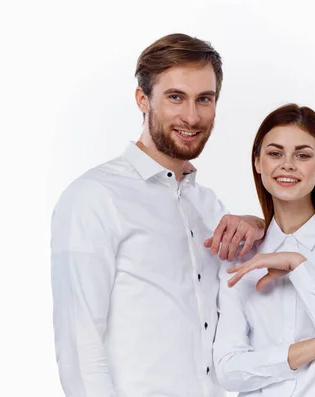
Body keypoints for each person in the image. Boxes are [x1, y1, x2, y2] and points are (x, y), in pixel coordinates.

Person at [50, 33, 266, 397]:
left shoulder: (210, 207)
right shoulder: (95, 198)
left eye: (205, 99)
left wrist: (261, 227)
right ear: (142, 99)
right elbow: (79, 349)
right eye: (176, 97)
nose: (192, 116)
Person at [213, 104, 315, 396]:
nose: (287, 165)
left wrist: (297, 264)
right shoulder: (241, 257)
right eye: (275, 153)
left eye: (302, 155)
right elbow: (228, 371)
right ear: (257, 162)